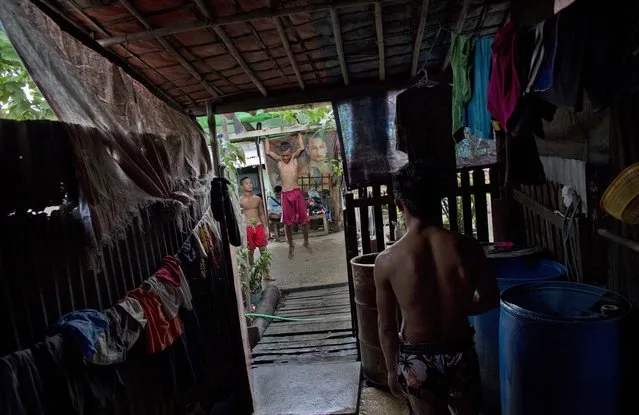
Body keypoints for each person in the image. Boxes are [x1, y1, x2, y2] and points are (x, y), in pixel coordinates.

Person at [374, 163, 499, 415]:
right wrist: (460, 305)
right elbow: (491, 298)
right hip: (459, 352)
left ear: (400, 205)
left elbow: (387, 327)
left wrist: (390, 370)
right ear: (437, 200)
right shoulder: (467, 247)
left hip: (417, 360)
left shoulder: (387, 261)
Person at [265, 134, 312, 259]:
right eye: (283, 155)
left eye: (288, 155)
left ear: (291, 153)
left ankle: (306, 241)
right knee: (287, 223)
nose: (286, 158)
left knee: (304, 221)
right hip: (285, 194)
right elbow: (268, 151)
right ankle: (291, 245)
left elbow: (301, 147)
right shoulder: (279, 161)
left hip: (297, 192)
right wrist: (266, 136)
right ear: (280, 155)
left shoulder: (295, 159)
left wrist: (298, 133)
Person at [239, 177, 273, 280]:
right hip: (247, 227)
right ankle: (253, 275)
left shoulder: (257, 199)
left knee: (264, 250)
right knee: (250, 252)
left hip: (258, 226)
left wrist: (266, 227)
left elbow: (262, 214)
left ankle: (266, 275)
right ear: (242, 186)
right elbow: (239, 216)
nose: (250, 185)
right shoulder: (239, 200)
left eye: (250, 182)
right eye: (246, 183)